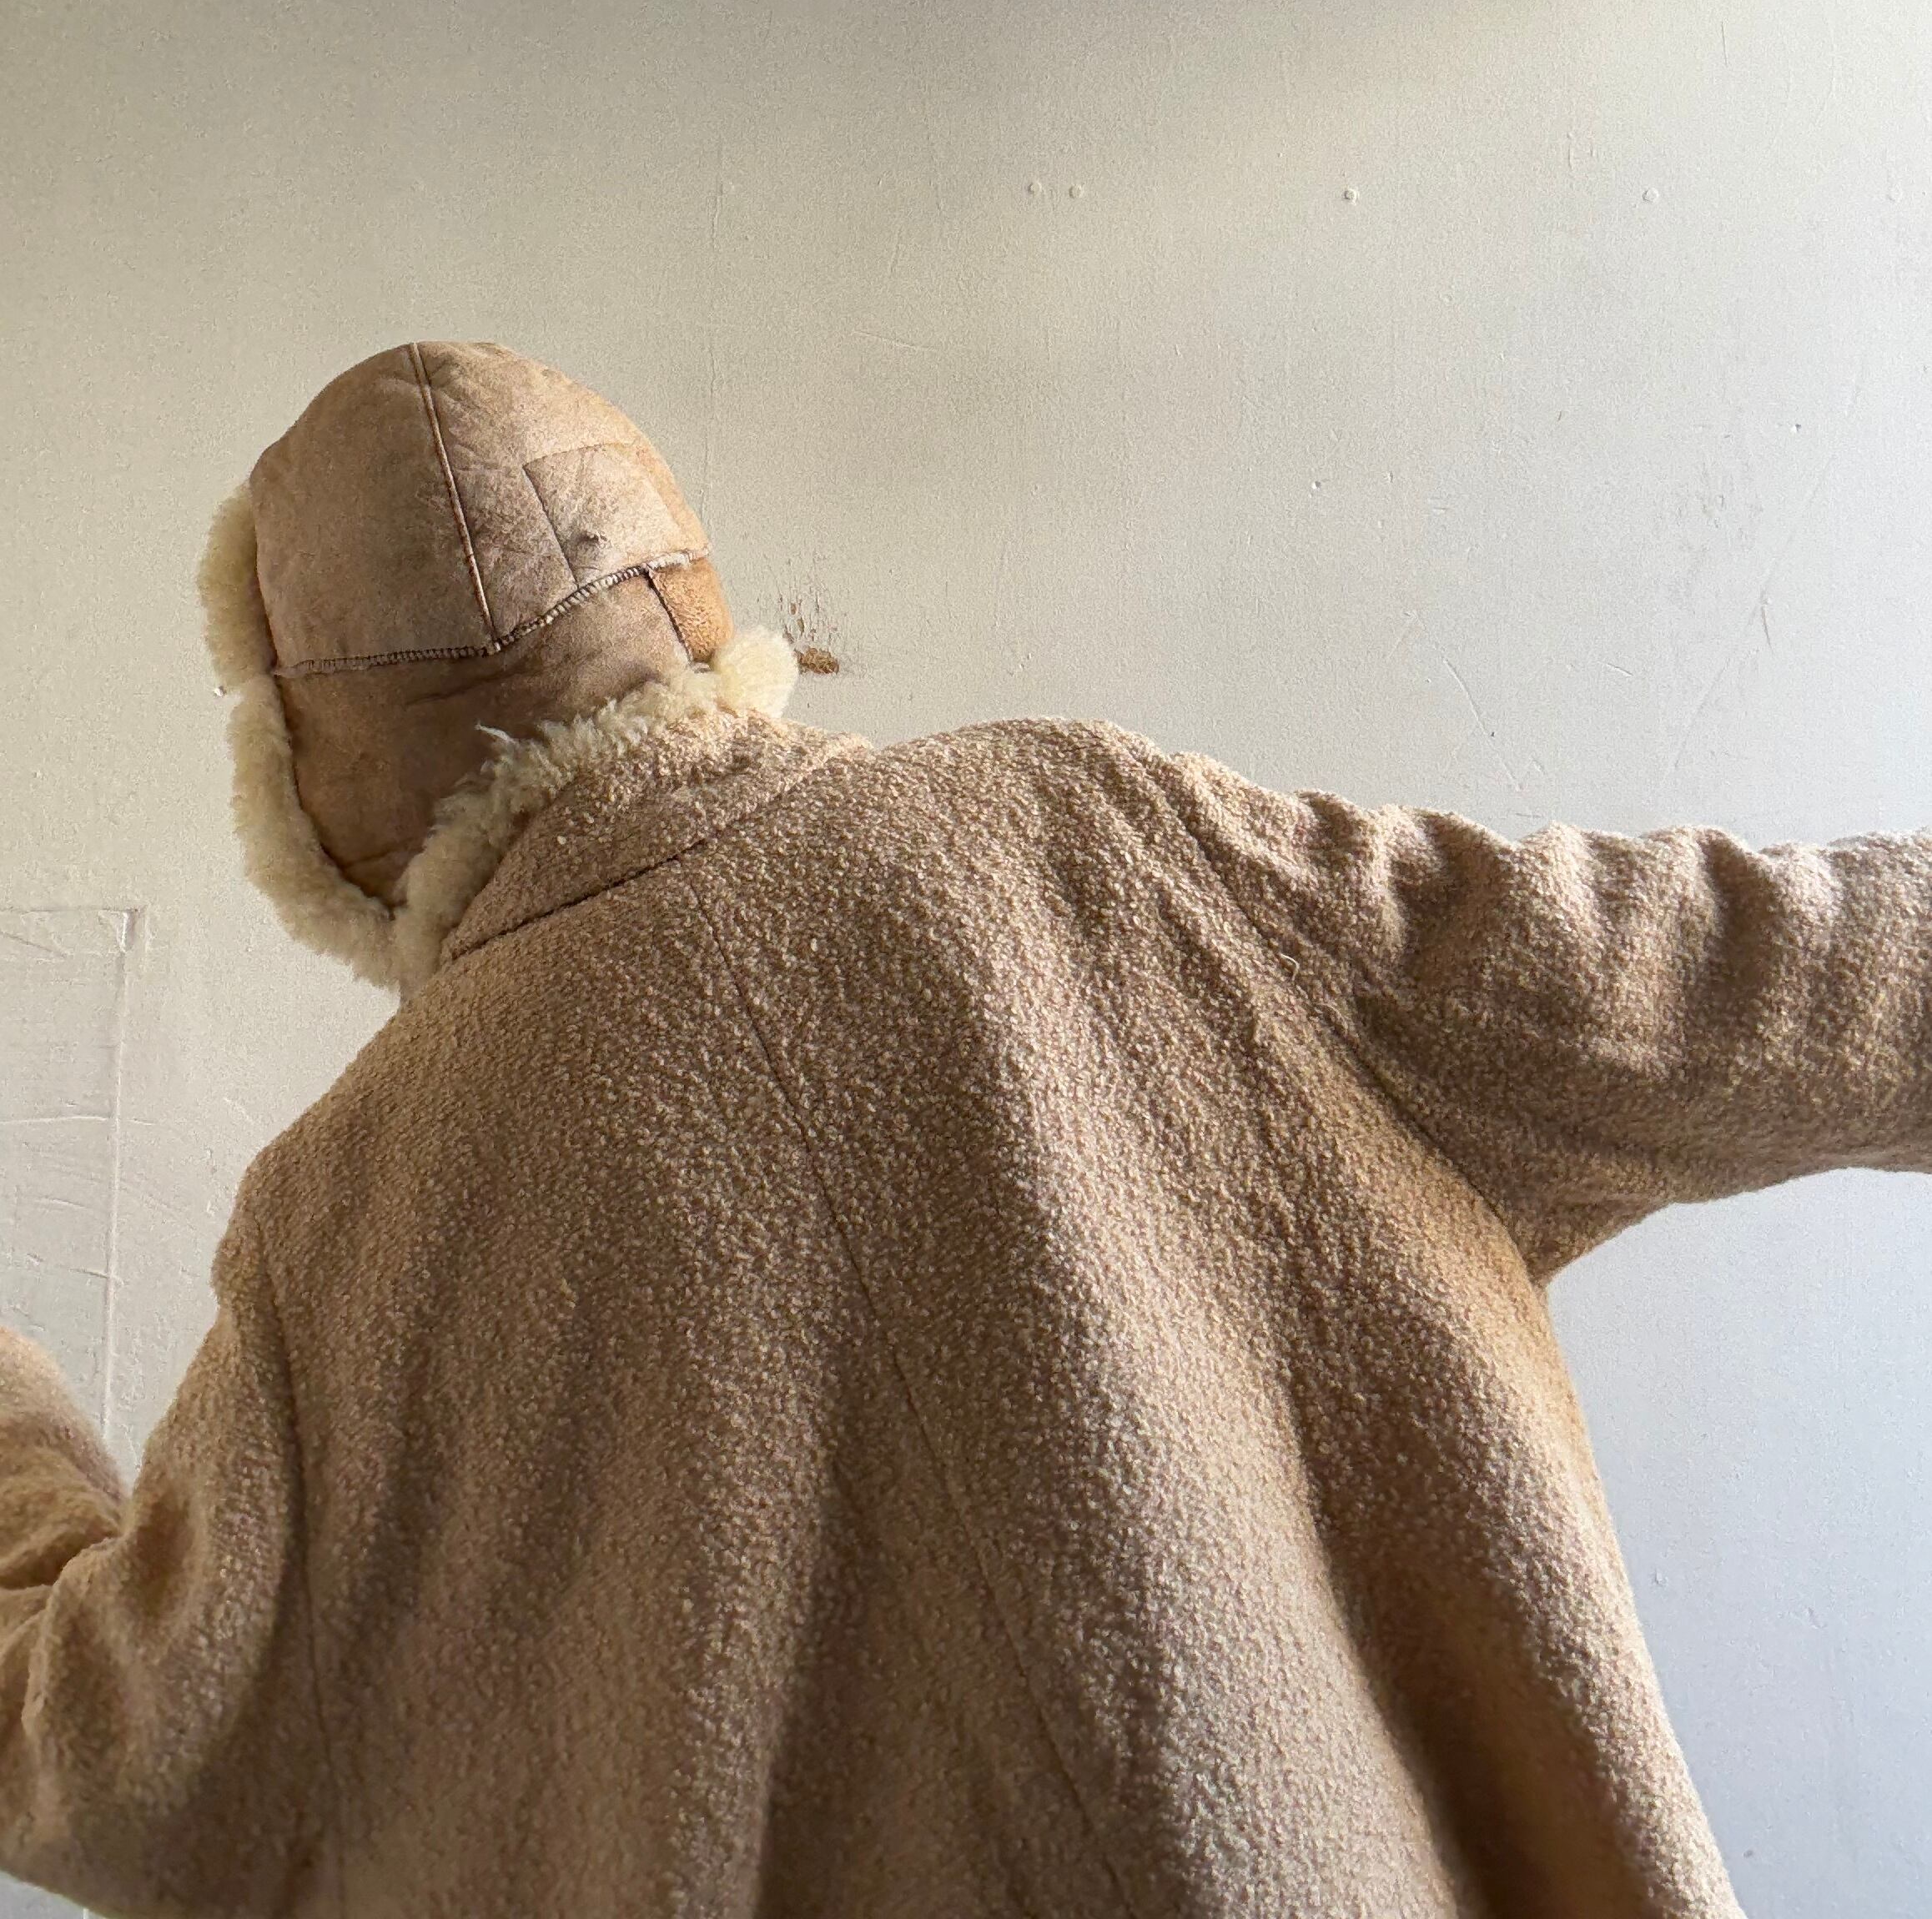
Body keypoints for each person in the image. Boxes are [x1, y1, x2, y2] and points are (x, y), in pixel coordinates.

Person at [2, 339, 1927, 1919]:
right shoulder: (1101, 836)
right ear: (687, 604)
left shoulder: (354, 1208)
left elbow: (97, 1750)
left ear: (317, 785)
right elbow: (1747, 973)